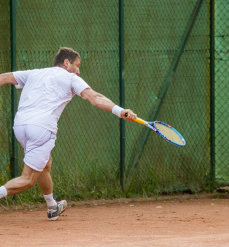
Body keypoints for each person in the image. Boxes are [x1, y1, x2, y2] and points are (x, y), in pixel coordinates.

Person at [0, 47, 137, 221]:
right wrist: (120, 111)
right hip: (42, 128)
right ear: (67, 63)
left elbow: (3, 78)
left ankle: (52, 207)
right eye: (77, 65)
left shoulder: (34, 73)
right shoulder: (71, 78)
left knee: (45, 163)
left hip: (20, 126)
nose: (78, 71)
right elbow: (95, 98)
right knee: (28, 180)